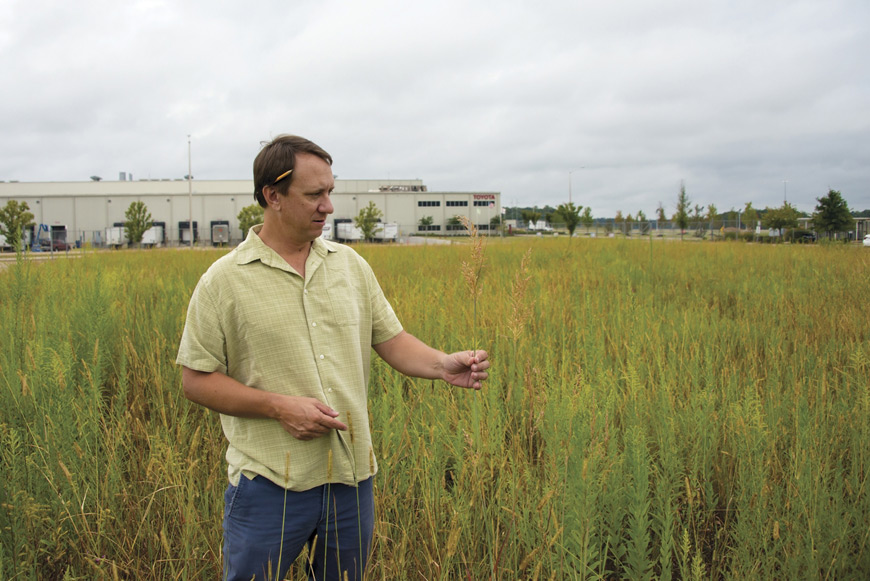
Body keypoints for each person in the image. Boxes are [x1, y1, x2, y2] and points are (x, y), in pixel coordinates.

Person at [176, 134, 490, 581]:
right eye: (314, 194)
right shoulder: (222, 282)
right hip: (269, 484)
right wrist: (278, 407)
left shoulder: (350, 265)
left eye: (330, 192)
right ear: (273, 196)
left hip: (351, 480)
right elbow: (196, 380)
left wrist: (443, 365)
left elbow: (391, 339)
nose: (328, 206)